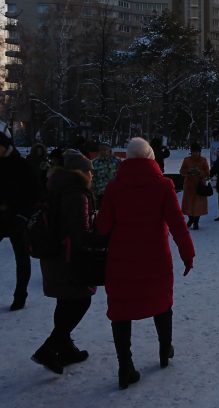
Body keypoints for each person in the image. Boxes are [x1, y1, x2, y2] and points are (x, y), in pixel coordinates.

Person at [95, 137, 194, 390]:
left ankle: (125, 366)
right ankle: (164, 350)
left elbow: (103, 226)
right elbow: (177, 223)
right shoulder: (163, 185)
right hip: (156, 259)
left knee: (121, 311)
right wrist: (187, 253)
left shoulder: (115, 188)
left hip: (121, 259)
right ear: (151, 157)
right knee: (162, 303)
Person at [31, 150, 98, 374]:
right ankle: (50, 347)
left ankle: (66, 348)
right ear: (80, 172)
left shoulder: (55, 186)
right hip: (69, 258)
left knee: (65, 301)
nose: (92, 175)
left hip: (52, 256)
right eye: (90, 171)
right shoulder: (77, 194)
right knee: (81, 300)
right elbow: (80, 233)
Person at [0, 121, 42, 311]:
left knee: (21, 258)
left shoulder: (21, 165)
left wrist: (23, 216)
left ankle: (20, 295)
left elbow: (35, 193)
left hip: (17, 217)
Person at [180, 142, 210, 230]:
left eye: (197, 152)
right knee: (188, 204)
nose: (195, 154)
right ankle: (191, 219)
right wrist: (189, 171)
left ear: (199, 152)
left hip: (199, 186)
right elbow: (182, 171)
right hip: (189, 186)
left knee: (198, 205)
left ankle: (196, 222)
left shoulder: (203, 160)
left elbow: (207, 172)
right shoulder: (187, 160)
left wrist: (200, 172)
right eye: (193, 152)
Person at [91, 141, 120, 207]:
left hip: (113, 193)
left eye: (105, 149)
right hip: (100, 193)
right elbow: (93, 178)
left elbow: (120, 176)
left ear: (109, 150)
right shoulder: (94, 162)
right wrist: (93, 193)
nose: (103, 151)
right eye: (101, 150)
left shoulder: (116, 161)